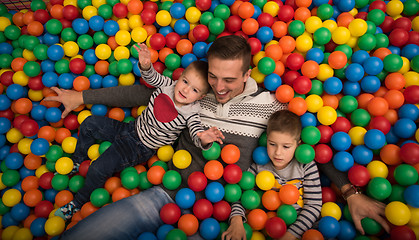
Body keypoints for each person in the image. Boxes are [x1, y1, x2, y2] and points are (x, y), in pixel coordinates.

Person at [46, 35, 388, 239]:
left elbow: (306, 147)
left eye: (229, 80)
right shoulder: (197, 93)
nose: (219, 88)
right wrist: (82, 98)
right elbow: (141, 93)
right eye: (213, 77)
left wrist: (349, 190)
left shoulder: (271, 106)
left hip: (230, 209)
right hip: (167, 190)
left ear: (248, 74)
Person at [51, 43, 225, 221]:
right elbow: (152, 79)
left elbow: (197, 132)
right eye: (185, 81)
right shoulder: (169, 86)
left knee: (98, 167)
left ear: (201, 97)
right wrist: (146, 64)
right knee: (89, 123)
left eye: (194, 90)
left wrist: (204, 138)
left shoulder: (192, 113)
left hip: (139, 148)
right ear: (180, 77)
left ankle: (77, 203)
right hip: (129, 128)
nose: (185, 89)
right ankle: (77, 161)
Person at [222, 110, 322, 240]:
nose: (278, 153)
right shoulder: (259, 166)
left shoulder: (306, 166)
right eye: (272, 144)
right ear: (266, 139)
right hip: (264, 230)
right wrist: (236, 221)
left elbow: (313, 206)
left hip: (301, 231)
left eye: (286, 147)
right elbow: (239, 195)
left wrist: (290, 235)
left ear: (298, 145)